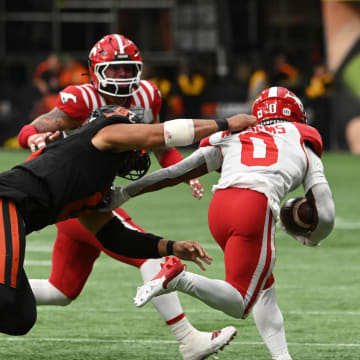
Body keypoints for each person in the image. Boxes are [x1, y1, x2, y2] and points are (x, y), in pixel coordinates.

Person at [16, 33, 235, 359]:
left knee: (62, 290)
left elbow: (158, 141)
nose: (121, 76)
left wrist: (186, 174)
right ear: (94, 70)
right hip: (70, 196)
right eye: (113, 70)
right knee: (149, 256)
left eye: (127, 69)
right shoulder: (82, 98)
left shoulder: (147, 95)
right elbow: (30, 130)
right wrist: (35, 137)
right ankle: (188, 340)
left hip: (85, 195)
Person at [100, 87, 336, 360]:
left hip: (221, 209)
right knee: (241, 303)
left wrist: (124, 193)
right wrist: (312, 237)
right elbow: (326, 214)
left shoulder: (235, 134)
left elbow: (174, 173)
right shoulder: (301, 136)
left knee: (264, 286)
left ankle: (282, 357)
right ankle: (180, 278)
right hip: (253, 208)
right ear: (297, 115)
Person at [0, 103, 256, 338]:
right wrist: (224, 124)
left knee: (21, 317)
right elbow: (160, 134)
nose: (137, 147)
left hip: (13, 214)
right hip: (5, 203)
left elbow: (114, 236)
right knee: (5, 297)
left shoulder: (95, 185)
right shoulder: (103, 134)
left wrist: (170, 246)